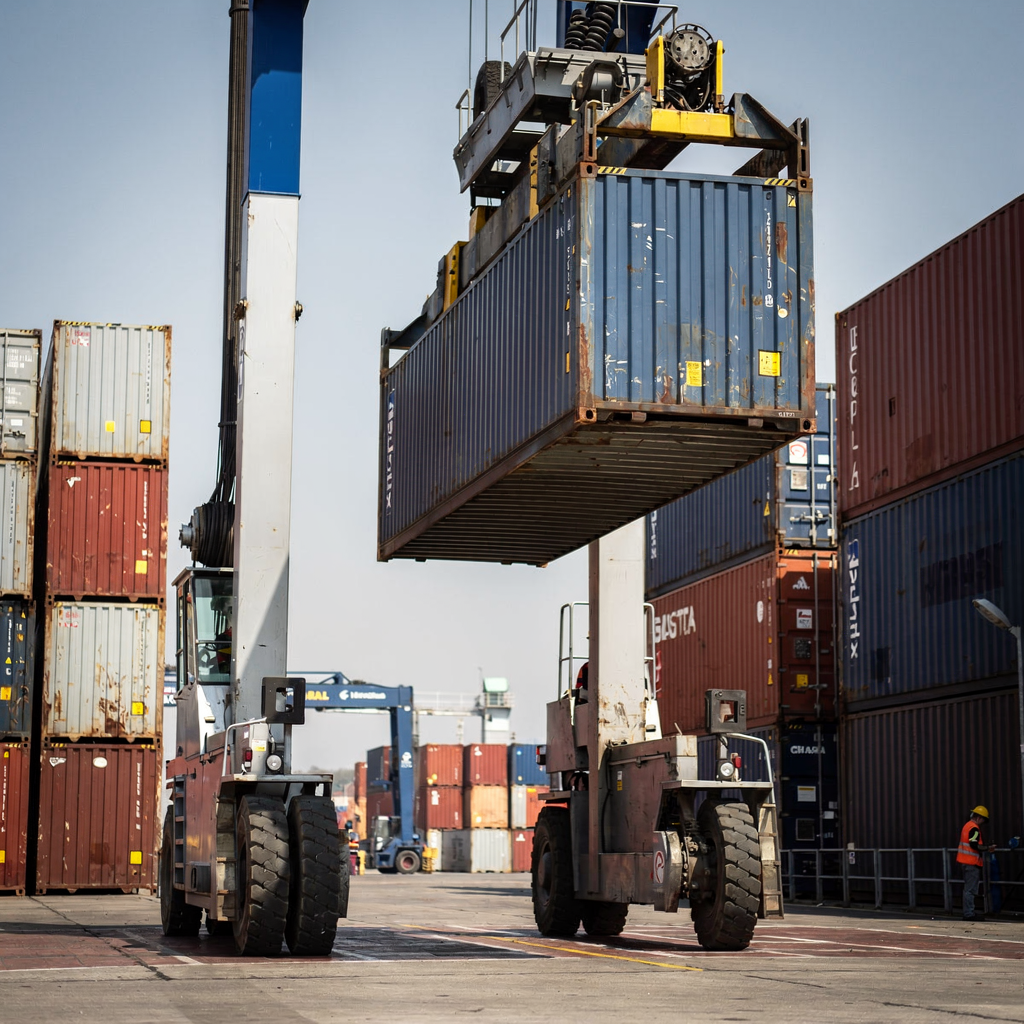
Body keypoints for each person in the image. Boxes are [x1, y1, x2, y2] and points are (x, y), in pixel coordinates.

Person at [957, 805, 996, 921]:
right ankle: (969, 914)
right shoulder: (974, 828)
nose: (983, 823)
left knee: (968, 889)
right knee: (970, 890)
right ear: (979, 818)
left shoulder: (967, 826)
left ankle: (968, 912)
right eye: (983, 820)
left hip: (965, 862)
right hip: (971, 863)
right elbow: (974, 845)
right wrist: (988, 848)